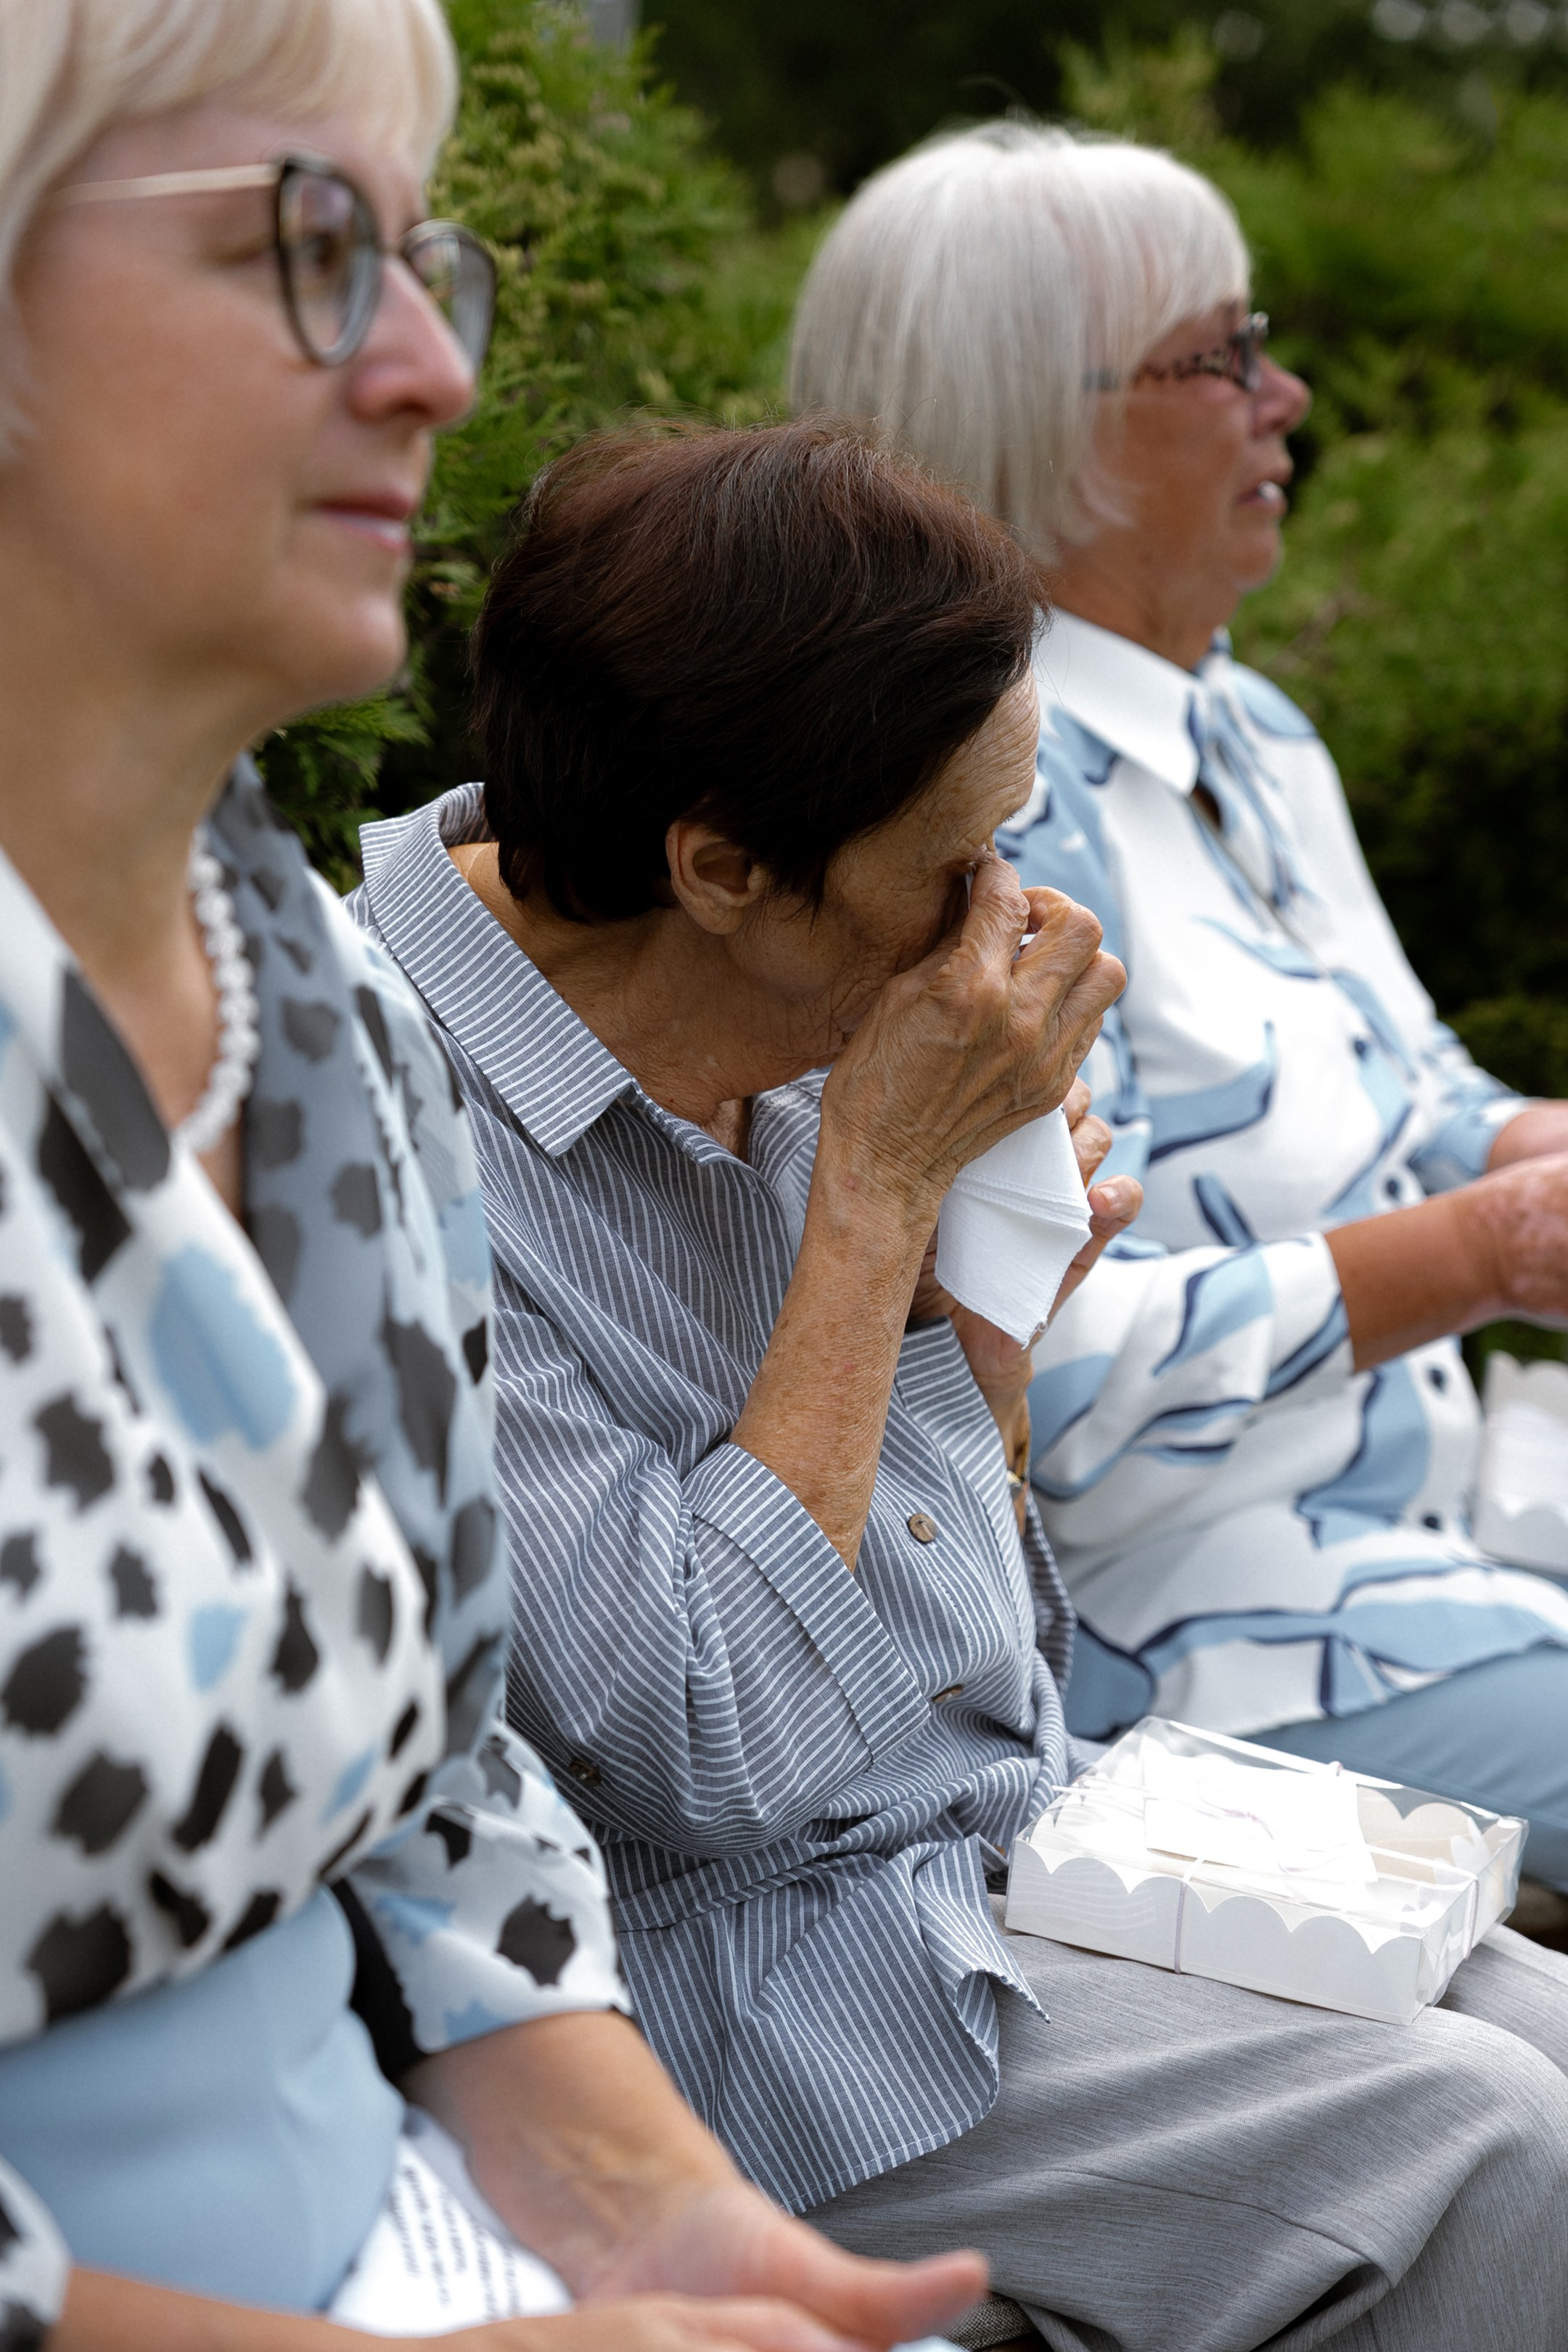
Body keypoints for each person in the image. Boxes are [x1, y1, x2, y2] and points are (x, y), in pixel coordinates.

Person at [360, 415, 1568, 2352]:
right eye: (956, 863)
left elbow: (964, 1643)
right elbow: (709, 1744)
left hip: (998, 1849)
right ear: (724, 865)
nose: (1009, 922)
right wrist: (886, 1201)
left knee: (1549, 2035)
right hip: (741, 2003)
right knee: (1499, 2149)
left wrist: (977, 1311)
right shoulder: (395, 1115)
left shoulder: (776, 994)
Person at [0, 8, 988, 2350]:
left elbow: (453, 1799)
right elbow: (716, 1724)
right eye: (308, 248)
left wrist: (657, 2218)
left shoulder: (322, 1014)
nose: (438, 365)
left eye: (422, 253)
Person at [788, 121, 1568, 1903]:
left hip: (1427, 1529)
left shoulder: (1249, 735)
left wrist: (1521, 1176)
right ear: (1030, 420)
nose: (1284, 395)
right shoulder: (969, 830)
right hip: (1189, 1635)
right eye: (1219, 356)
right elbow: (1032, 1376)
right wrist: (1481, 1254)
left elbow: (1424, 1097)